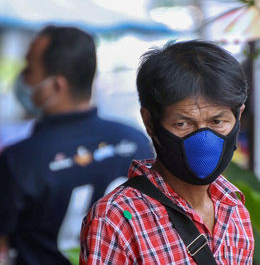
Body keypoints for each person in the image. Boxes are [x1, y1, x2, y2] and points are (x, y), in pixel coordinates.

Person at [80, 40, 254, 264]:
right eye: (183, 124)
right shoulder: (116, 220)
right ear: (150, 122)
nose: (203, 141)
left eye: (217, 121)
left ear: (238, 117)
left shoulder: (234, 208)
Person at [0, 25, 154, 265]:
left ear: (56, 86)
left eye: (29, 68)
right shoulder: (136, 142)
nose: (22, 77)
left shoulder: (21, 159)